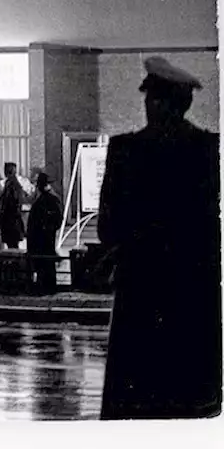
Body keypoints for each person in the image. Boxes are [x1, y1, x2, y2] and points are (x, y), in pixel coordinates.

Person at [98, 57, 221, 419]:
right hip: (194, 286)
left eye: (152, 98)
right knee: (190, 397)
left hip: (141, 284)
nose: (149, 106)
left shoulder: (125, 151)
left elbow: (109, 227)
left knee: (137, 394)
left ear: (158, 102)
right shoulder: (209, 150)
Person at [26, 172, 63, 293]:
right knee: (44, 262)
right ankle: (46, 285)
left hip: (44, 237)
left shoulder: (50, 199)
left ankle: (47, 286)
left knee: (45, 261)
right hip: (42, 236)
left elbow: (57, 219)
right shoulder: (46, 198)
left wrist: (46, 228)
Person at [0, 162, 27, 249]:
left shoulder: (12, 185)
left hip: (11, 221)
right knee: (12, 244)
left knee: (12, 245)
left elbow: (13, 202)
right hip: (12, 221)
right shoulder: (13, 184)